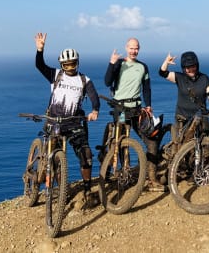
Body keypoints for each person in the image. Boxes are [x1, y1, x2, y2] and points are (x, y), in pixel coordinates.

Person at [34, 32, 100, 203]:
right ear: (62, 64)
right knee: (53, 158)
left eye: (72, 64)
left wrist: (95, 110)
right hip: (54, 121)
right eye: (66, 64)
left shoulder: (84, 80)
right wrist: (40, 50)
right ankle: (60, 189)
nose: (70, 67)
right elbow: (40, 65)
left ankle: (87, 190)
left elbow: (94, 97)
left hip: (74, 123)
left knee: (86, 155)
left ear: (77, 63)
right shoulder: (55, 75)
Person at [104, 37, 165, 192]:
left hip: (137, 109)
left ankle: (152, 178)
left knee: (151, 141)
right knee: (122, 143)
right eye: (131, 48)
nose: (134, 51)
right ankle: (122, 176)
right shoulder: (119, 64)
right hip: (120, 108)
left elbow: (146, 88)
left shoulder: (142, 67)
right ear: (126, 48)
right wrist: (111, 63)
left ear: (139, 49)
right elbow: (107, 81)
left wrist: (149, 105)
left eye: (136, 48)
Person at [159, 51, 209, 141]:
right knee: (180, 144)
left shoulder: (204, 78)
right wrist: (166, 62)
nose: (191, 70)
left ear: (197, 66)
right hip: (182, 117)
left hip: (201, 116)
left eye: (193, 66)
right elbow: (163, 73)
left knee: (206, 144)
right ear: (183, 68)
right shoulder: (179, 77)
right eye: (188, 67)